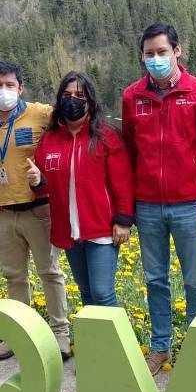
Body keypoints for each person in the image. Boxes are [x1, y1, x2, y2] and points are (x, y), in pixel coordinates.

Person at [121, 23, 196, 375]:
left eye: (161, 52)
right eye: (149, 54)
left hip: (189, 204)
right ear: (142, 56)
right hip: (148, 206)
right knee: (155, 279)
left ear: (177, 51)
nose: (155, 59)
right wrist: (130, 203)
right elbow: (130, 154)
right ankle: (160, 348)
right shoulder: (131, 97)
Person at [0, 61, 71, 360]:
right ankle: (19, 335)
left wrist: (47, 176)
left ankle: (60, 332)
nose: (3, 91)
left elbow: (69, 140)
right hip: (3, 211)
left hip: (39, 209)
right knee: (14, 276)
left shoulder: (41, 114)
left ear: (21, 87)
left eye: (9, 85)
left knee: (50, 272)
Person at [27, 72, 134, 307]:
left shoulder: (106, 135)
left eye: (79, 95)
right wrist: (36, 182)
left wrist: (124, 220)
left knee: (103, 293)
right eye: (66, 95)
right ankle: (92, 343)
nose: (72, 100)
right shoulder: (49, 139)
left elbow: (122, 181)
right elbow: (44, 188)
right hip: (69, 231)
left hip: (102, 228)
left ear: (90, 101)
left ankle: (112, 344)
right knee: (86, 293)